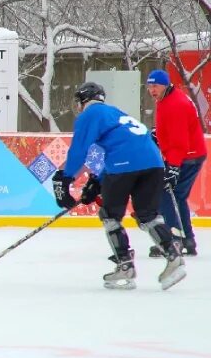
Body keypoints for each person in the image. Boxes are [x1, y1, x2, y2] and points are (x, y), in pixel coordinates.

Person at [51, 81, 186, 291]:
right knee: (147, 215)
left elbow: (79, 149)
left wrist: (65, 178)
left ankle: (125, 266)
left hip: (125, 165)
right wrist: (98, 179)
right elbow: (127, 146)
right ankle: (173, 255)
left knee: (110, 216)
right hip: (154, 164)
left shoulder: (90, 114)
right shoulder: (116, 112)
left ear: (84, 100)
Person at [145, 69, 206, 257]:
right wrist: (159, 134)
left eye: (155, 85)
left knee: (167, 195)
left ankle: (175, 241)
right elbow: (172, 129)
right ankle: (187, 239)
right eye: (149, 86)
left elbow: (179, 141)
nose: (152, 90)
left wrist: (172, 167)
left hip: (187, 156)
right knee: (176, 197)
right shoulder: (166, 99)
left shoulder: (175, 103)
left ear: (165, 84)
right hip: (188, 155)